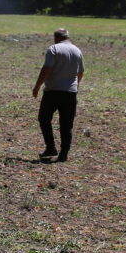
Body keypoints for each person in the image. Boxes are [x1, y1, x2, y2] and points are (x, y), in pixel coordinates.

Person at [32, 28, 85, 162]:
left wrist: (37, 86)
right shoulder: (77, 50)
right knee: (67, 124)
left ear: (56, 37)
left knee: (44, 118)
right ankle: (64, 154)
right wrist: (75, 85)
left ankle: (51, 147)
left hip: (53, 90)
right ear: (68, 37)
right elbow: (81, 72)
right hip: (70, 93)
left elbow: (47, 68)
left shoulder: (53, 49)